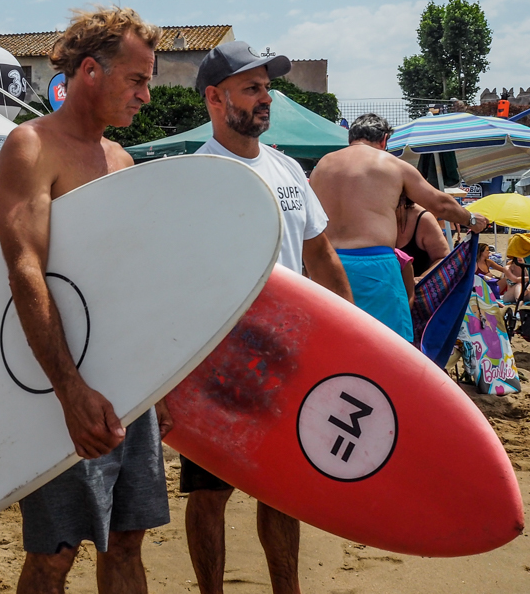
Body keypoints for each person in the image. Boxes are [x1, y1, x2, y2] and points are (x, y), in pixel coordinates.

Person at [0, 7, 168, 594]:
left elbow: (130, 281)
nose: (147, 95)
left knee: (126, 541)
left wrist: (158, 382)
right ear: (91, 71)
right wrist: (69, 392)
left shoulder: (120, 159)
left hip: (130, 384)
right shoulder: (32, 145)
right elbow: (24, 270)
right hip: (60, 382)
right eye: (137, 80)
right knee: (56, 552)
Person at [183, 40, 353, 594]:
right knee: (209, 492)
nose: (266, 98)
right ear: (215, 97)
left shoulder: (288, 169)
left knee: (282, 487)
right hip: (217, 359)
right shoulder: (197, 174)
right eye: (252, 88)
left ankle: (288, 589)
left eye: (266, 88)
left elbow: (321, 256)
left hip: (286, 355)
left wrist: (353, 335)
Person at [309, 113, 489, 342]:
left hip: (326, 262)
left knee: (334, 341)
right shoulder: (391, 164)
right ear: (384, 140)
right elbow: (440, 204)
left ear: (350, 138)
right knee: (388, 345)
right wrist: (471, 219)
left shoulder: (322, 165)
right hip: (375, 266)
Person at [395, 196, 450, 278]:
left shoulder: (423, 219)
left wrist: (420, 280)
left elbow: (444, 259)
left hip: (417, 289)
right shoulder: (374, 218)